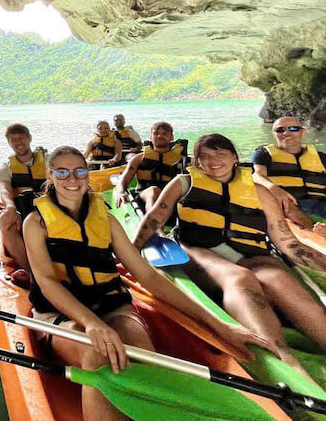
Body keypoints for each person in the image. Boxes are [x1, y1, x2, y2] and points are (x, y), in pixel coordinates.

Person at [23, 145, 266, 421]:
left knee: (144, 358)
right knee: (96, 356)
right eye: (62, 173)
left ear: (87, 174)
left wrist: (218, 324)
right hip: (61, 315)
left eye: (79, 171)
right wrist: (91, 323)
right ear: (50, 175)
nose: (72, 179)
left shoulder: (107, 220)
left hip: (112, 306)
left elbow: (147, 275)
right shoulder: (35, 223)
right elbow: (47, 281)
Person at [133, 133, 326, 378]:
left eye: (220, 154)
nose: (213, 161)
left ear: (235, 157)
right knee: (239, 278)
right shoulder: (183, 183)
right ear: (197, 162)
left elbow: (286, 241)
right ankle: (284, 361)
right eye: (205, 156)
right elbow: (154, 220)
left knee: (280, 280)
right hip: (198, 250)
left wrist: (321, 263)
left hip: (250, 253)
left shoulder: (259, 192)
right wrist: (132, 252)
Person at [0, 123, 46, 286]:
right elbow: (4, 190)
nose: (18, 142)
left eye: (22, 138)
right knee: (6, 220)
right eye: (14, 140)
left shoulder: (48, 160)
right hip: (22, 211)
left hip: (47, 209)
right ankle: (30, 272)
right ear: (9, 143)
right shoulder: (6, 168)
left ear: (29, 138)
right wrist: (10, 207)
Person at [251, 116, 326, 221]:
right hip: (288, 207)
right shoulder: (264, 154)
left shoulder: (321, 157)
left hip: (321, 205)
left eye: (293, 129)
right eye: (280, 130)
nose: (286, 133)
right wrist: (274, 188)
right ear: (274, 134)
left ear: (303, 132)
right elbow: (257, 175)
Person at [114, 121, 186, 210]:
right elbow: (124, 179)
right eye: (156, 133)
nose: (160, 136)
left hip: (169, 200)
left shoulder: (182, 160)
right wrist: (120, 192)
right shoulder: (138, 159)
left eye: (164, 134)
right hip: (144, 196)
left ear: (172, 137)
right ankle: (152, 217)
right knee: (154, 191)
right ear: (151, 137)